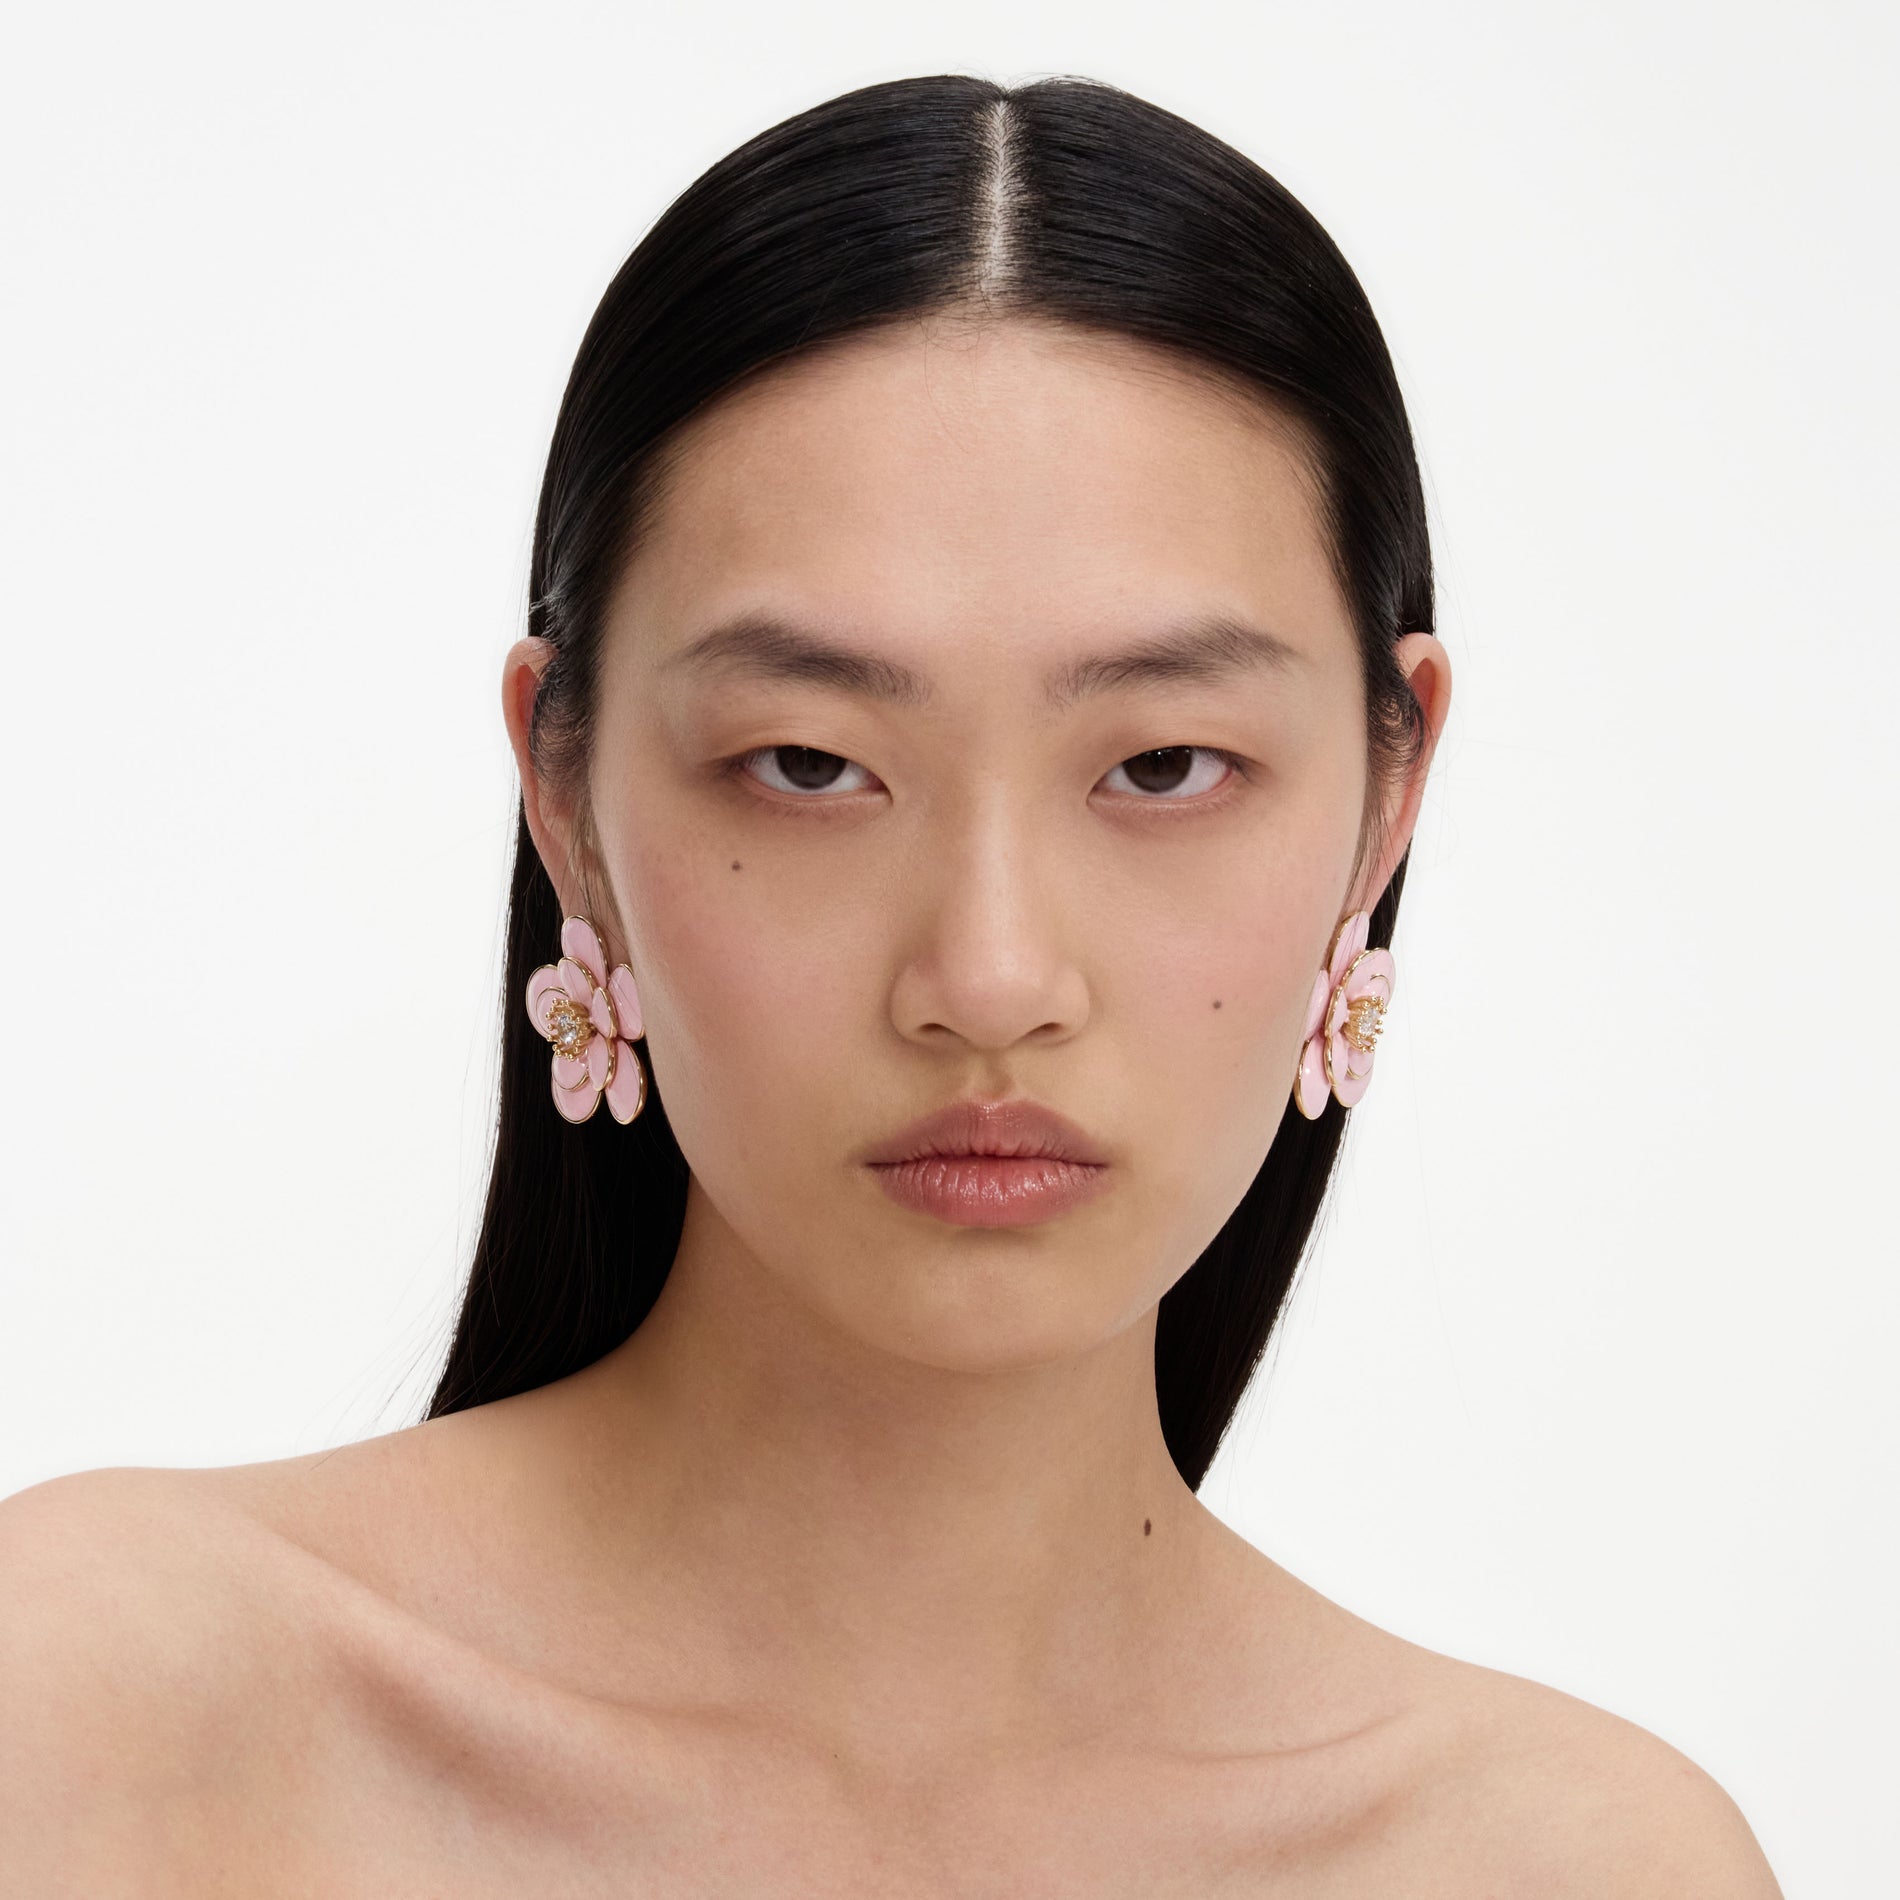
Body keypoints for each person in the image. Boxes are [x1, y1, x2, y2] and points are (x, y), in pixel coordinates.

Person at [0, 73, 1781, 1894]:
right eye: (808, 763)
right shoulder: (102, 1725)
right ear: (569, 798)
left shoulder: (1571, 1860)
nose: (989, 979)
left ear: (1388, 796)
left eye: (1162, 768)